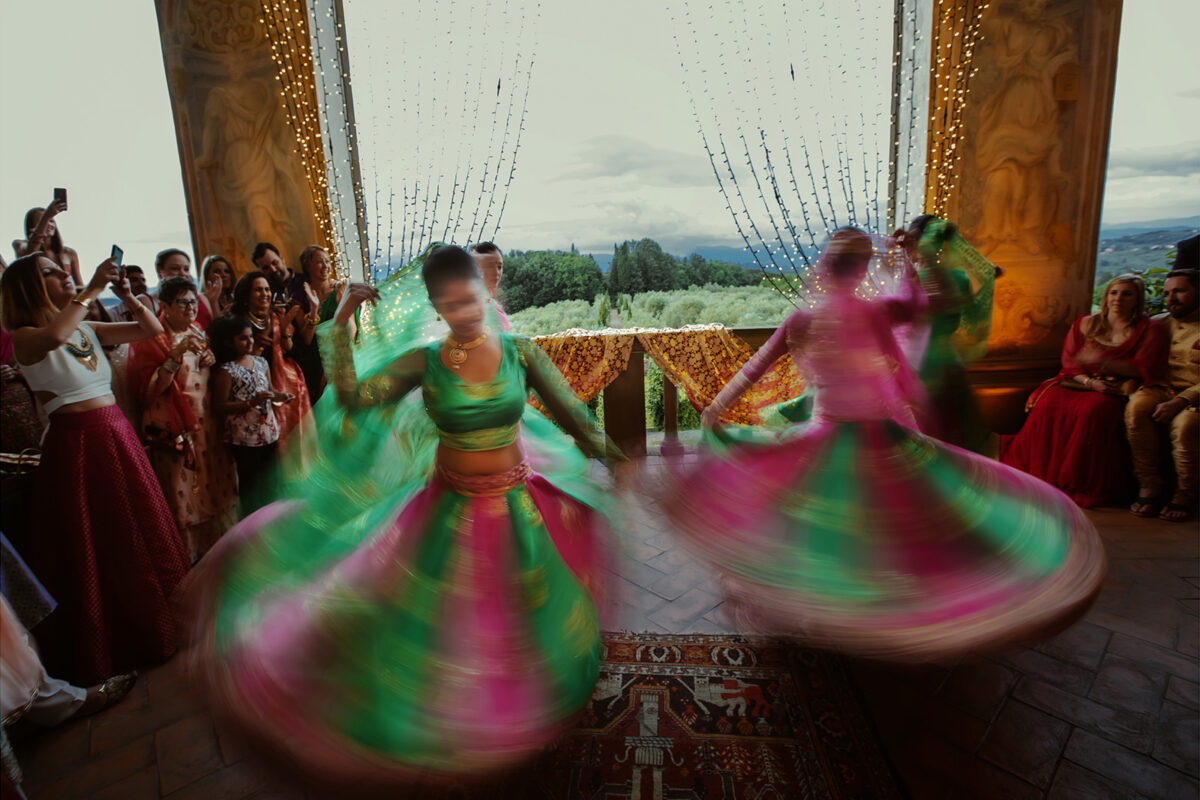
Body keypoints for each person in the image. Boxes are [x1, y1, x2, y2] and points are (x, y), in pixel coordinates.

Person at [187, 245, 622, 792]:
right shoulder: (428, 362)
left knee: (519, 624)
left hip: (518, 509)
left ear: (486, 293)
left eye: (471, 300)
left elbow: (572, 416)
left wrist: (614, 458)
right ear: (436, 307)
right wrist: (338, 320)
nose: (464, 313)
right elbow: (352, 397)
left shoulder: (520, 352)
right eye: (450, 305)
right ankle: (457, 733)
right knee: (444, 630)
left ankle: (515, 720)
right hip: (448, 510)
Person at [662, 229, 1106, 661]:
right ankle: (852, 610)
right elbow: (913, 345)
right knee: (870, 534)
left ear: (828, 267)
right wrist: (915, 263)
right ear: (856, 269)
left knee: (832, 532)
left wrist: (715, 407)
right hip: (869, 437)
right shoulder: (863, 315)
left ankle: (840, 610)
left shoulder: (821, 317)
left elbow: (763, 364)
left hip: (845, 437)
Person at [0, 254, 190, 685]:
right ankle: (114, 644)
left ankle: (160, 624)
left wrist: (126, 296)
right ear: (30, 287)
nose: (65, 274)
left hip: (116, 432)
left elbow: (151, 331)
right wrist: (89, 290)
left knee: (139, 530)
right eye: (52, 272)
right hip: (77, 442)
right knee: (101, 540)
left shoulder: (85, 327)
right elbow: (55, 334)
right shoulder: (26, 336)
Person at [1000, 274, 1167, 507]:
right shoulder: (1086, 323)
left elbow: (1145, 367)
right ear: (1106, 296)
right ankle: (1043, 476)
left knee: (1094, 410)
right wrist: (1090, 382)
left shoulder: (1150, 329)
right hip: (1080, 381)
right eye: (1113, 292)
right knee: (1049, 401)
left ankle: (1079, 482)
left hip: (1117, 388)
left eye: (1127, 293)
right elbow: (1069, 362)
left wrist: (1104, 362)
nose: (1118, 298)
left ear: (1138, 299)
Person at [128, 277, 239, 561]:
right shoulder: (153, 338)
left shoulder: (196, 328)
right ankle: (193, 557)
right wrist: (175, 355)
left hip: (208, 422)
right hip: (177, 426)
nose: (191, 308)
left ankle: (225, 547)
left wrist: (209, 357)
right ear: (164, 306)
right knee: (185, 490)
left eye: (193, 301)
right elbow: (150, 390)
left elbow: (204, 366)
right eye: (183, 302)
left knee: (216, 483)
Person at [893, 215, 997, 452]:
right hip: (951, 365)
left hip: (923, 369)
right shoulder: (959, 278)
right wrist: (990, 278)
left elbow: (911, 317)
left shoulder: (915, 281)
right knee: (954, 437)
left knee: (927, 439)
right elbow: (970, 314)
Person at [1126, 262, 1198, 522]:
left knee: (1187, 424)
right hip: (1161, 387)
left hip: (1194, 395)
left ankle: (1184, 495)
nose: (1171, 299)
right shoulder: (1158, 323)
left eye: (1179, 292)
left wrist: (1181, 401)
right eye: (1167, 293)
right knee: (1136, 408)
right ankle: (1150, 485)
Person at [207, 313, 290, 515]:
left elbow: (269, 390)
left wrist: (281, 395)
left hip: (267, 431)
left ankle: (271, 518)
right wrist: (249, 403)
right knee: (250, 484)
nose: (249, 341)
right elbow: (219, 406)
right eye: (243, 338)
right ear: (229, 342)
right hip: (244, 437)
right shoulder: (227, 371)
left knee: (271, 479)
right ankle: (252, 521)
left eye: (251, 336)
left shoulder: (260, 362)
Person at [230, 271, 312, 447]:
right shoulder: (237, 324)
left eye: (267, 289)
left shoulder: (276, 317)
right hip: (254, 392)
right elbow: (245, 361)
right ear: (246, 295)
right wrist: (267, 332)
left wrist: (283, 330)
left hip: (285, 382)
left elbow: (294, 351)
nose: (265, 294)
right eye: (258, 290)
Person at [139, 249, 212, 330]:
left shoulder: (201, 298)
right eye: (175, 268)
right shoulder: (147, 300)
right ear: (159, 270)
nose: (182, 273)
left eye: (186, 269)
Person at [12, 201, 79, 287]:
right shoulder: (20, 245)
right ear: (31, 227)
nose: (49, 224)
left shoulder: (69, 253)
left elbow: (79, 286)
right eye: (42, 220)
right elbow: (29, 255)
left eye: (51, 220)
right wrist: (47, 216)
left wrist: (86, 298)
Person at [469, 241, 508, 331]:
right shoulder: (469, 308)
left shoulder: (492, 303)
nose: (496, 273)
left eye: (499, 267)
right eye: (489, 266)